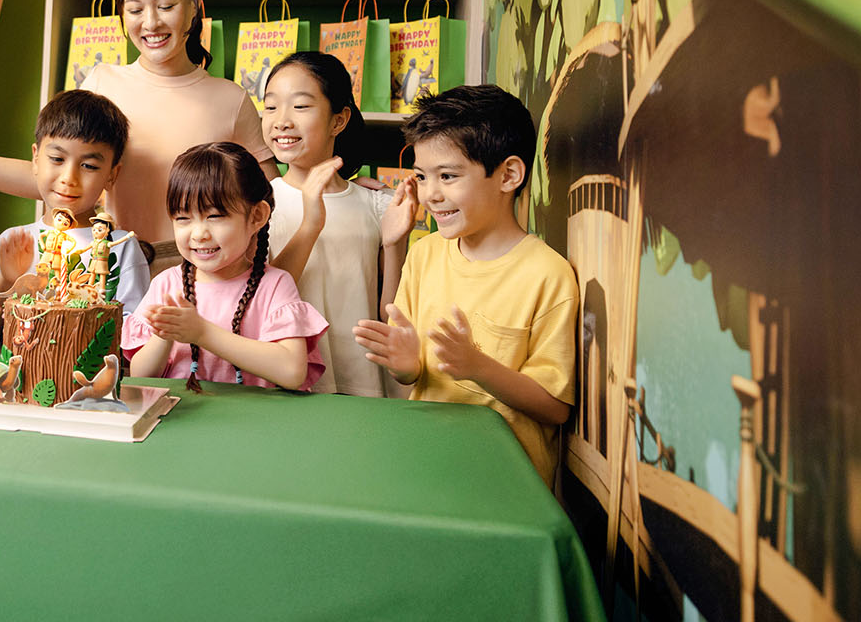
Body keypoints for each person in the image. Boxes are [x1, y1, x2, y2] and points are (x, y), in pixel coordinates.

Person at [0, 0, 274, 275]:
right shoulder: (102, 83)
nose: (150, 23)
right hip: (111, 269)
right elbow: (57, 177)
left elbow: (270, 204)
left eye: (166, 6)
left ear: (195, 3)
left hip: (202, 275)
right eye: (135, 10)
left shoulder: (231, 99)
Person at [354, 85, 577, 487]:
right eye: (422, 176)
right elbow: (413, 377)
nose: (431, 194)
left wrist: (478, 367)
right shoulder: (425, 256)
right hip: (425, 467)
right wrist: (407, 368)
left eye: (448, 176)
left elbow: (555, 407)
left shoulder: (548, 274)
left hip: (507, 485)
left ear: (508, 175)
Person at [261, 52, 416, 398]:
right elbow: (260, 300)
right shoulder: (257, 205)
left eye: (300, 107)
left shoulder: (375, 204)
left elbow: (389, 313)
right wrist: (310, 224)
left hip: (362, 380)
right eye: (271, 107)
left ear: (338, 120)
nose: (282, 121)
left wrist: (394, 244)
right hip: (287, 383)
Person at [124, 141, 326, 392]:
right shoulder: (166, 284)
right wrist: (164, 336)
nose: (199, 234)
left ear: (256, 217)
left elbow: (293, 372)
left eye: (215, 216)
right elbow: (141, 376)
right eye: (183, 218)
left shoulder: (274, 285)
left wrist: (201, 333)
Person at [0, 89, 150, 351]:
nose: (69, 177)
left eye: (89, 165)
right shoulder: (12, 242)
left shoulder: (119, 248)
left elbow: (134, 343)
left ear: (112, 174)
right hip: (17, 387)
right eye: (57, 159)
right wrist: (7, 283)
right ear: (35, 158)